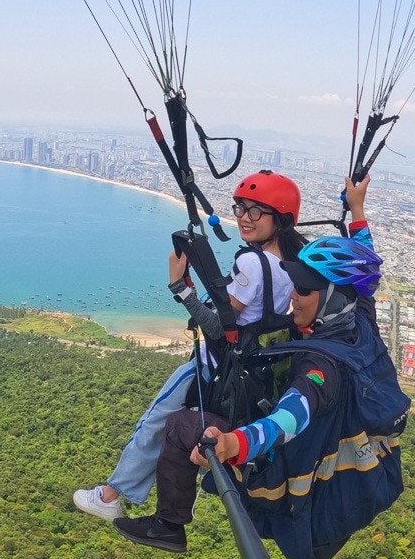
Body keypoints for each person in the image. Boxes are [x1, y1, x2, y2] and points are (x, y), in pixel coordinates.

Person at [113, 175, 410, 559]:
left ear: (331, 298)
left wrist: (233, 445)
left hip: (306, 514)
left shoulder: (321, 365)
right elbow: (363, 266)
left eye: (303, 290)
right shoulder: (361, 320)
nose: (293, 296)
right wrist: (357, 207)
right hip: (361, 484)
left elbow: (290, 416)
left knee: (182, 425)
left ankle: (168, 523)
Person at [72, 170, 308, 520]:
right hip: (249, 372)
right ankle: (136, 498)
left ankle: (110, 495)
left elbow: (219, 326)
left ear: (281, 219)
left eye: (256, 210)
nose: (244, 217)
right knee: (165, 424)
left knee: (153, 420)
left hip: (214, 367)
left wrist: (180, 289)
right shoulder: (292, 264)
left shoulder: (252, 263)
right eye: (240, 208)